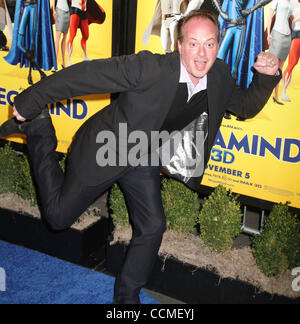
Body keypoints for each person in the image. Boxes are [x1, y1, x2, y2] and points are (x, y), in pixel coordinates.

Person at [0, 10, 280, 304]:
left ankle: (126, 300)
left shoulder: (219, 75)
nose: (202, 54)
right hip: (106, 147)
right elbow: (87, 75)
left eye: (209, 44)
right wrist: (32, 100)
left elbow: (245, 106)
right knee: (58, 217)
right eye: (194, 44)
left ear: (218, 45)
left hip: (143, 154)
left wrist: (265, 76)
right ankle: (39, 129)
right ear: (179, 45)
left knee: (152, 225)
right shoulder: (150, 68)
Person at [267, 0, 294, 105]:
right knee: (272, 66)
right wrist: (268, 33)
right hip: (276, 34)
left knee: (280, 69)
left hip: (287, 37)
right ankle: (266, 93)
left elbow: (293, 19)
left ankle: (276, 95)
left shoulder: (290, 4)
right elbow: (270, 17)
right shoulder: (276, 0)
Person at [282, 0, 300, 101]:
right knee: (292, 64)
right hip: (297, 35)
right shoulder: (292, 4)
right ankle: (284, 92)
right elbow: (291, 21)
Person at [51, 0, 70, 69]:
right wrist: (53, 10)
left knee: (65, 37)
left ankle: (63, 62)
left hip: (67, 12)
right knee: (58, 37)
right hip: (59, 10)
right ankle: (55, 63)